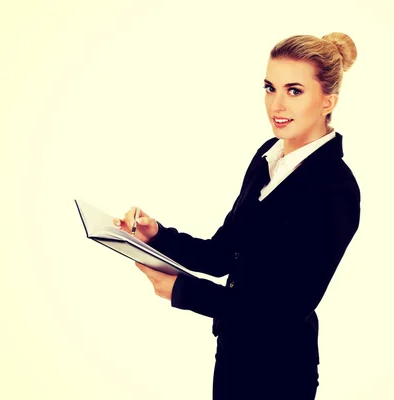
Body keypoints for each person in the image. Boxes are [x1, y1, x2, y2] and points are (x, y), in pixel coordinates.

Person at [114, 32, 360, 400]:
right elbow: (223, 253)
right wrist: (157, 236)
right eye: (269, 87)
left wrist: (183, 290)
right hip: (233, 358)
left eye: (294, 91)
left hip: (281, 374)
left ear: (329, 101)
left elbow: (286, 311)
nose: (277, 104)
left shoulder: (336, 188)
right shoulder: (268, 158)